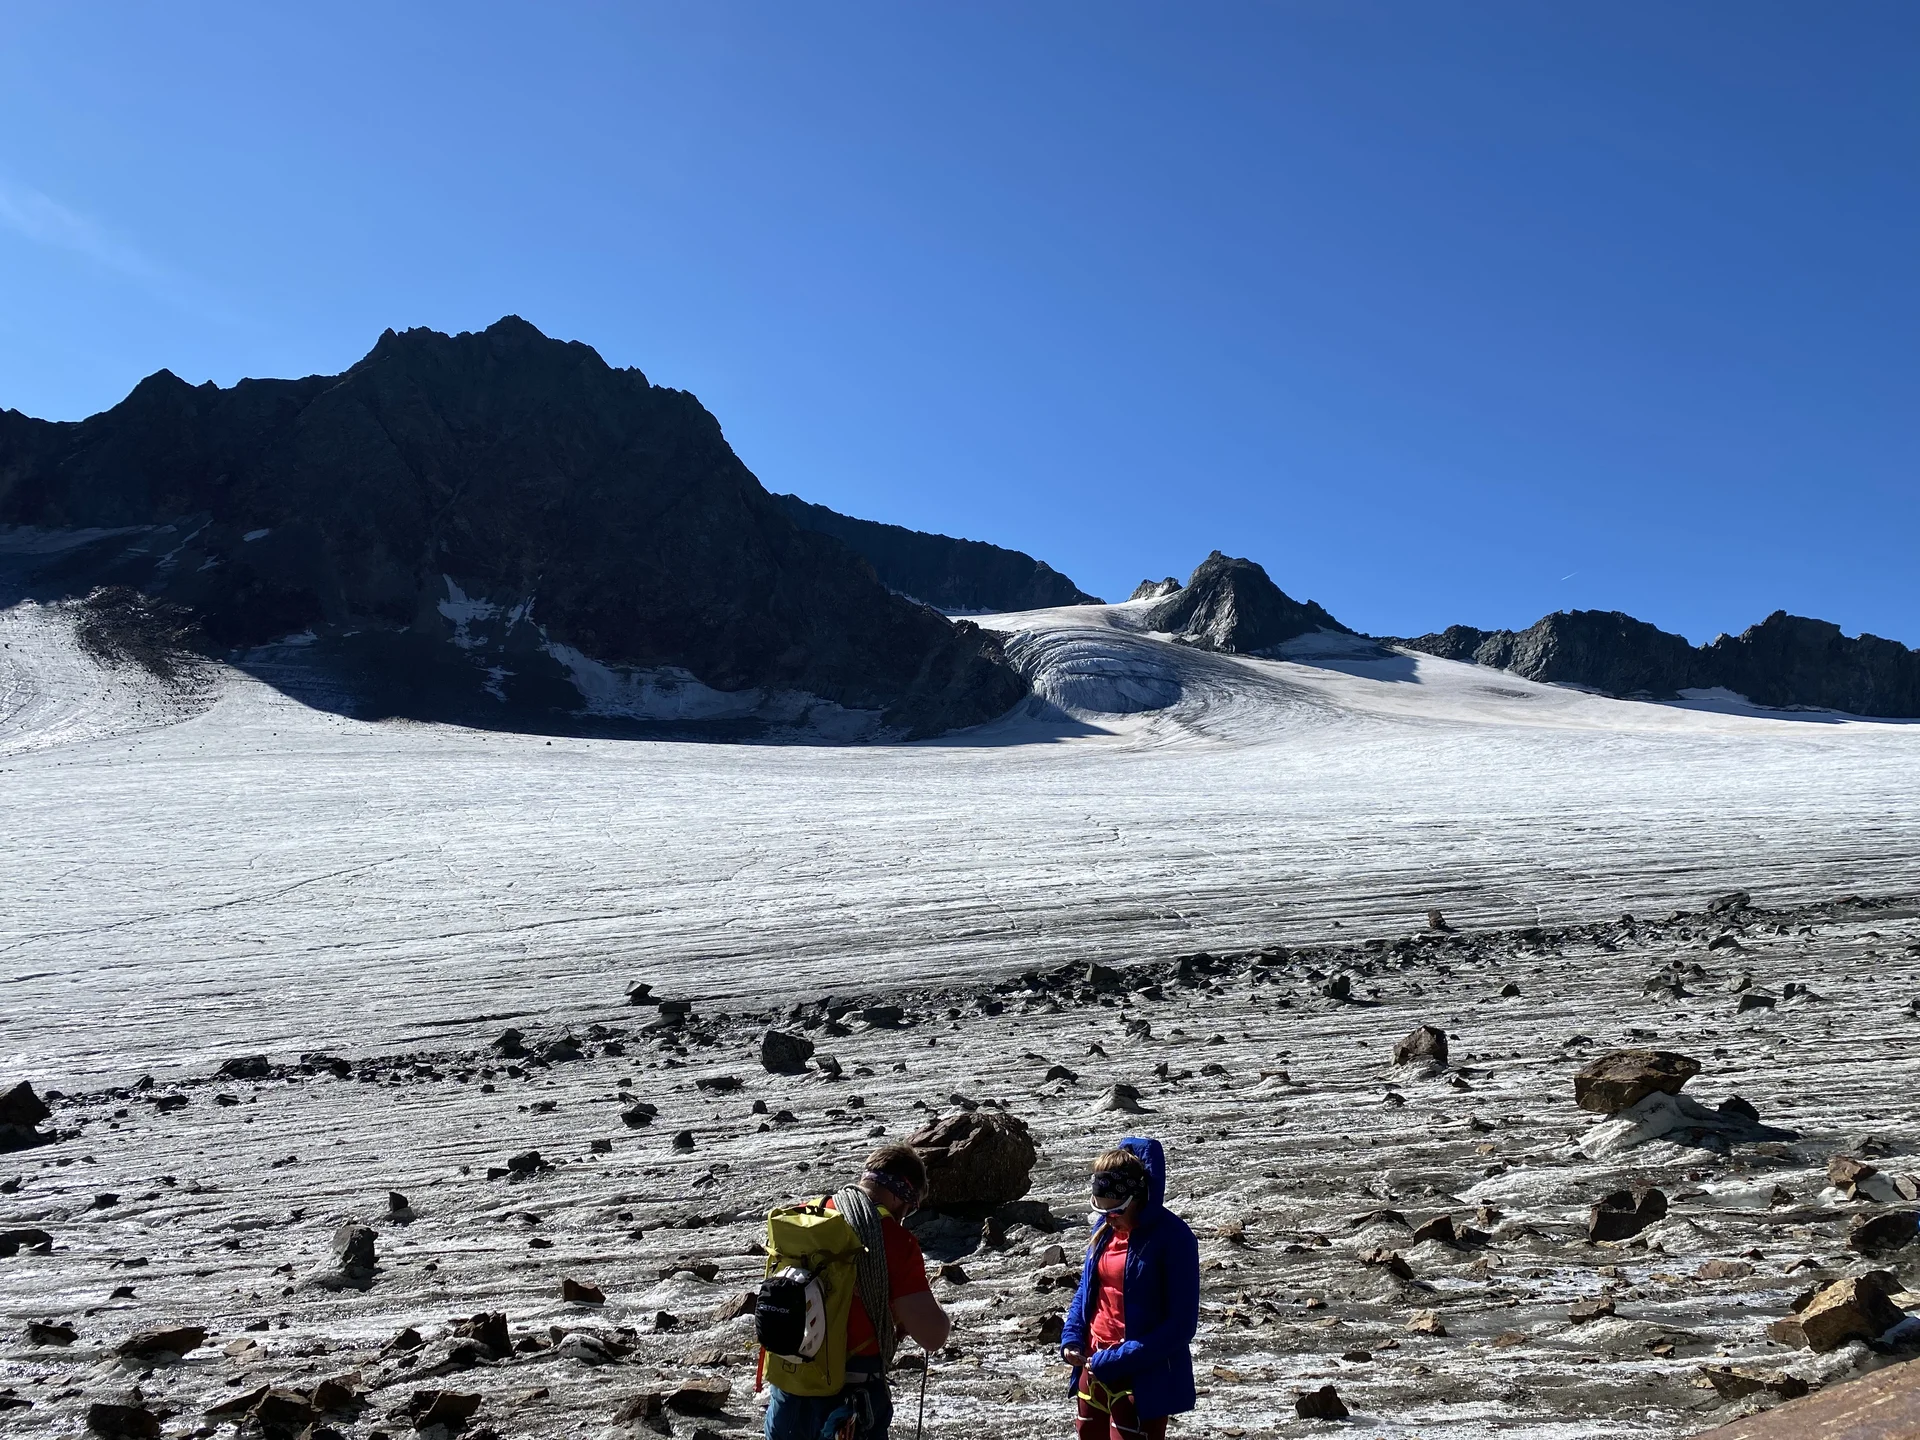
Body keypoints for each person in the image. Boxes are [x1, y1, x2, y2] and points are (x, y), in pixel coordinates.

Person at [763, 1145, 953, 1440]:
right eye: (911, 1205)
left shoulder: (807, 1217)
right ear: (900, 1193)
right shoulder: (892, 1240)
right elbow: (932, 1336)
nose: (907, 1214)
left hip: (789, 1389)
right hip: (850, 1401)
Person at [1059, 1138, 1199, 1440]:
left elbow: (1181, 1326)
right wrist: (1072, 1336)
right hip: (1093, 1370)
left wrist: (1120, 1358)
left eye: (1116, 1212)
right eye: (1102, 1211)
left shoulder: (1174, 1238)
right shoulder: (1104, 1228)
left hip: (1141, 1378)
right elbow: (1087, 1289)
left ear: (1137, 1197)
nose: (1109, 1219)